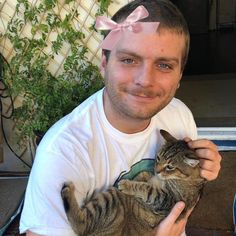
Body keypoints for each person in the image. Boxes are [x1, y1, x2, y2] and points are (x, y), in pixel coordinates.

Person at [19, 0, 222, 235]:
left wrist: (202, 173)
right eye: (128, 60)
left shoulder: (179, 116)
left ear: (179, 77)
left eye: (164, 65)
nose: (145, 80)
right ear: (104, 64)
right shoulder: (63, 152)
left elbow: (183, 199)